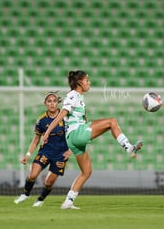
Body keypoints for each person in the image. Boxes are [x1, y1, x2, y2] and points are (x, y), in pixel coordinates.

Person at [42, 70, 143, 209]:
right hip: (77, 134)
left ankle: (68, 201)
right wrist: (47, 132)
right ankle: (129, 148)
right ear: (79, 82)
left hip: (74, 138)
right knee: (112, 122)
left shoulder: (79, 98)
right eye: (87, 80)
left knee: (86, 171)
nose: (89, 82)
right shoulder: (73, 95)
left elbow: (78, 119)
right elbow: (61, 115)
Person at [14, 92, 71, 207]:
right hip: (45, 152)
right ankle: (26, 194)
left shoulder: (66, 117)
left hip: (61, 154)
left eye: (54, 101)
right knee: (33, 175)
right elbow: (36, 139)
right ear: (45, 103)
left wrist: (70, 151)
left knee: (48, 182)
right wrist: (28, 155)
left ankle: (40, 199)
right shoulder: (41, 120)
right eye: (49, 101)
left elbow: (73, 135)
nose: (52, 104)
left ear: (57, 102)